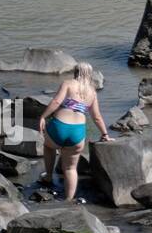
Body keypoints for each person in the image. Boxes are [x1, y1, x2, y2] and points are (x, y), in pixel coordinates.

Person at [38, 61, 110, 202]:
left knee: (48, 146)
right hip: (77, 133)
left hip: (59, 126)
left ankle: (48, 176)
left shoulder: (68, 83)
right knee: (70, 169)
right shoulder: (92, 93)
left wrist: (43, 116)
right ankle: (69, 199)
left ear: (75, 72)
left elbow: (56, 102)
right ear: (90, 75)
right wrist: (105, 134)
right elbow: (97, 117)